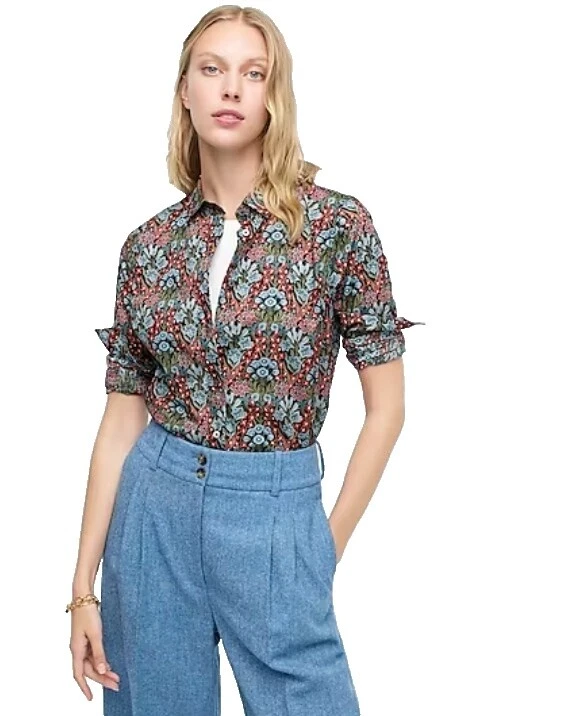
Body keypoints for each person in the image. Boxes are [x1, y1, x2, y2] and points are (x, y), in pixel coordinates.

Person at [67, 5, 424, 715]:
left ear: (273, 95)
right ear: (185, 90)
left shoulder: (336, 227)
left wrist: (322, 547)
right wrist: (82, 589)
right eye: (212, 69)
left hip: (275, 512)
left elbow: (388, 408)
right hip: (154, 510)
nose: (231, 88)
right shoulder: (148, 247)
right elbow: (121, 421)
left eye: (253, 73)